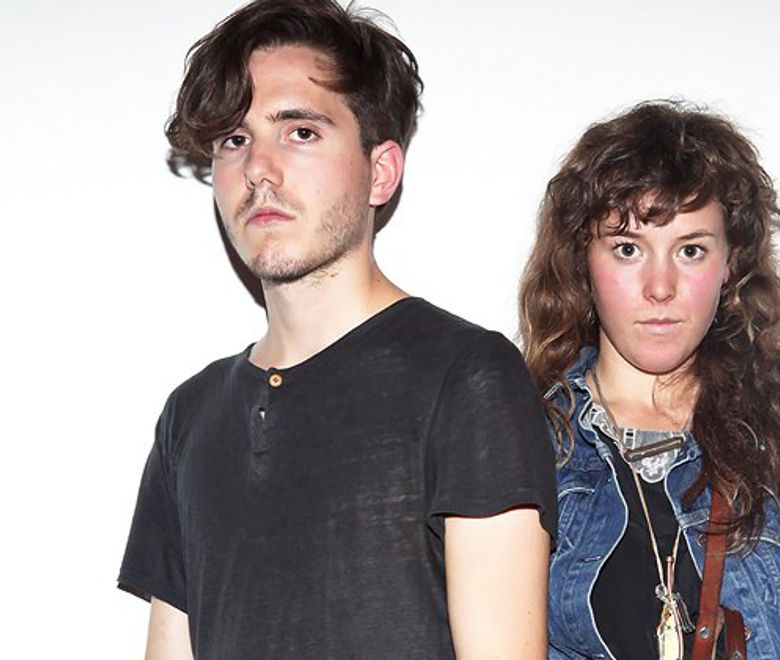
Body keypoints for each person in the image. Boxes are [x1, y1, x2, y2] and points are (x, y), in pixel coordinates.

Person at [118, 1, 556, 658]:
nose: (259, 168)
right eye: (235, 140)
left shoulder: (466, 377)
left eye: (299, 132)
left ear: (381, 171)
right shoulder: (191, 414)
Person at [519, 101, 780, 659]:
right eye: (628, 249)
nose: (660, 287)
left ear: (730, 264)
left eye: (691, 250)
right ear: (583, 260)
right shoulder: (529, 438)